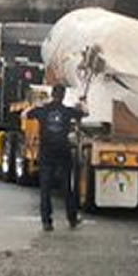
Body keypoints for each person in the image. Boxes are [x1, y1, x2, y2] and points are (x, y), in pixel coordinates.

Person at [27, 84, 87, 231]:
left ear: (52, 94)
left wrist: (37, 104)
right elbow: (85, 113)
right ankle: (72, 218)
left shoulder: (42, 110)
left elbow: (25, 114)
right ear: (63, 95)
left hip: (46, 153)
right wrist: (82, 103)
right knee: (66, 187)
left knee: (45, 188)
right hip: (63, 152)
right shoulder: (67, 111)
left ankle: (46, 222)